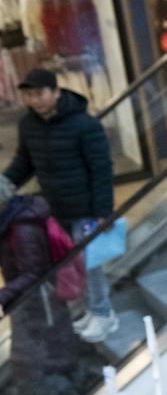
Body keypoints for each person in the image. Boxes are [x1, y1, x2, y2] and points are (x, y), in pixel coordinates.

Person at [1, 68, 116, 343]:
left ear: (56, 92)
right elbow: (24, 163)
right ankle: (86, 312)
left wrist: (103, 213)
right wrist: (4, 182)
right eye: (29, 95)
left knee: (91, 265)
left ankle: (104, 315)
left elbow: (101, 170)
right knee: (67, 267)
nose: (35, 100)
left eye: (40, 94)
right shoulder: (29, 125)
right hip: (54, 210)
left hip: (85, 210)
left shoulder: (84, 125)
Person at [0, 194, 80, 395]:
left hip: (40, 304)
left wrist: (3, 296)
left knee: (35, 363)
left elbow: (33, 273)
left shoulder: (22, 228)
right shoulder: (11, 220)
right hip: (32, 303)